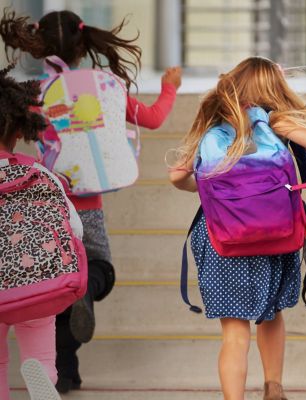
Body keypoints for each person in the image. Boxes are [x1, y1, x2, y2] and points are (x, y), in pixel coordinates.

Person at [0, 8, 181, 393]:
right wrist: (170, 88)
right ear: (84, 46)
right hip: (86, 204)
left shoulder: (33, 97)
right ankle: (88, 288)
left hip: (41, 198)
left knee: (46, 283)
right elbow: (151, 118)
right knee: (92, 268)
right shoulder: (105, 86)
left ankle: (66, 373)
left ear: (38, 46)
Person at [169, 57, 306, 400]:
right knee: (272, 315)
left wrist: (207, 188)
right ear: (274, 89)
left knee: (234, 334)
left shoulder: (215, 127)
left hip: (225, 238)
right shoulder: (278, 124)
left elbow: (178, 176)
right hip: (276, 235)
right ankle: (274, 388)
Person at [0, 64, 82, 400]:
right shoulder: (37, 172)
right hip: (35, 279)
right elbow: (73, 226)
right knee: (39, 348)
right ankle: (44, 375)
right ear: (19, 131)